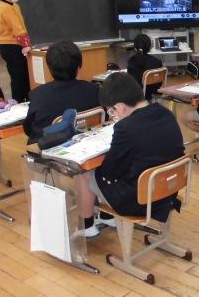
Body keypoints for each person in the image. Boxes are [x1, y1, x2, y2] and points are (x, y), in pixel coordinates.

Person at [75, 72, 185, 237]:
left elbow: (109, 173)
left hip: (140, 200)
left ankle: (87, 227)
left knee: (84, 172)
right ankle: (107, 217)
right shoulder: (166, 113)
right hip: (168, 190)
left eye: (112, 111)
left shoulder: (125, 127)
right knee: (125, 166)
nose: (114, 115)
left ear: (119, 107)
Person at [23, 41, 100, 143]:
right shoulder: (94, 89)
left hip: (49, 147)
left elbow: (28, 129)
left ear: (49, 67)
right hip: (87, 143)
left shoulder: (38, 95)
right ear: (79, 66)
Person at [0, 0, 31, 102]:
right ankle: (18, 103)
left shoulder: (14, 5)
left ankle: (28, 100)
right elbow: (17, 29)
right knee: (18, 78)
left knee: (24, 76)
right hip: (10, 46)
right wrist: (26, 44)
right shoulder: (5, 8)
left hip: (15, 45)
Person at [127, 34, 162, 101]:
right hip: (152, 92)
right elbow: (159, 83)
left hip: (137, 94)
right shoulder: (157, 61)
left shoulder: (132, 61)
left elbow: (130, 81)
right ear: (149, 47)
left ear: (135, 47)